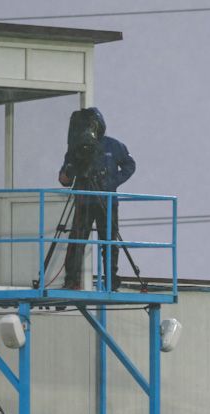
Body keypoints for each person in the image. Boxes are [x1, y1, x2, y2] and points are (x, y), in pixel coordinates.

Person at [58, 107, 136, 291]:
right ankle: (72, 281)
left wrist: (112, 182)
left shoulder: (113, 146)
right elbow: (64, 179)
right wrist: (71, 171)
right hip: (84, 200)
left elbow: (130, 165)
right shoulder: (74, 150)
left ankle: (110, 281)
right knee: (77, 240)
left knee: (108, 240)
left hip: (106, 201)